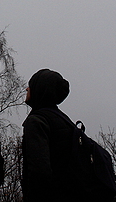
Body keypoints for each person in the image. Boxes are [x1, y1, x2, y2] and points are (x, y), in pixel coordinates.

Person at [22, 68, 78, 202]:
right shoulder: (65, 121)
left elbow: (39, 172)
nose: (26, 89)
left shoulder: (37, 121)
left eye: (31, 86)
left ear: (40, 89)